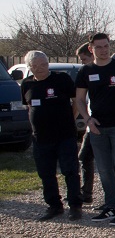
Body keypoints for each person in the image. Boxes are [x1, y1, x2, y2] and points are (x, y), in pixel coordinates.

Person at [75, 32, 115, 225]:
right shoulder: (85, 71)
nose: (103, 50)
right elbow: (79, 100)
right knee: (104, 169)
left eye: (106, 46)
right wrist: (88, 120)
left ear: (110, 46)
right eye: (98, 47)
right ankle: (111, 206)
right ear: (91, 49)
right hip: (97, 128)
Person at [20, 51, 84, 221]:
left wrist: (71, 118)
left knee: (70, 171)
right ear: (30, 67)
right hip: (41, 138)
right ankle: (54, 206)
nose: (40, 68)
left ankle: (75, 206)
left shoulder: (61, 79)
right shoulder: (26, 84)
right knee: (46, 173)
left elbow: (76, 100)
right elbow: (28, 108)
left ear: (48, 64)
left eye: (43, 64)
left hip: (64, 135)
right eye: (35, 66)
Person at [75, 43, 96, 205]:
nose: (82, 63)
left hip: (101, 123)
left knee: (109, 163)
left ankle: (114, 196)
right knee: (84, 157)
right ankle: (86, 192)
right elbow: (79, 100)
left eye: (84, 59)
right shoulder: (85, 75)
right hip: (90, 124)